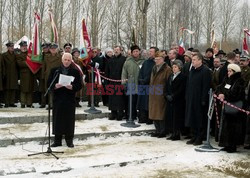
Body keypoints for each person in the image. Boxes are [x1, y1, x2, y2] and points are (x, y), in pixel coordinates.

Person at [48, 53, 82, 148]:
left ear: (71, 61)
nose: (66, 61)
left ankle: (69, 140)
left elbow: (79, 85)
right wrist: (55, 85)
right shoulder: (55, 71)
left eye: (68, 60)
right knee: (57, 119)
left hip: (69, 99)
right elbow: (49, 83)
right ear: (62, 60)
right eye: (65, 59)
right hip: (58, 99)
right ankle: (57, 140)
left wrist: (72, 87)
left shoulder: (75, 72)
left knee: (69, 120)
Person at [216, 64, 246, 153]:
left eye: (230, 71)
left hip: (236, 107)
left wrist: (225, 95)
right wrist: (220, 93)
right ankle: (226, 144)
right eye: (228, 71)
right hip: (227, 106)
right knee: (226, 126)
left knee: (233, 127)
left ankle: (232, 145)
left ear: (235, 71)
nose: (228, 73)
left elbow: (236, 94)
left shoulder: (239, 81)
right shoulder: (227, 79)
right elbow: (220, 87)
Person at [185, 53, 211, 145]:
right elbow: (188, 84)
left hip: (200, 99)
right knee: (192, 118)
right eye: (192, 60)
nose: (193, 62)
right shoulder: (192, 70)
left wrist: (203, 99)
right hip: (191, 98)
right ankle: (194, 136)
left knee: (199, 119)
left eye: (194, 60)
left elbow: (206, 86)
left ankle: (199, 137)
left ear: (200, 60)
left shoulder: (205, 71)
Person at [149, 51, 171, 138]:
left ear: (162, 59)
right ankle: (157, 130)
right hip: (153, 93)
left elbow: (168, 82)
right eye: (155, 59)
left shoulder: (167, 69)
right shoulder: (154, 68)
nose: (156, 61)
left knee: (160, 113)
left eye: (157, 59)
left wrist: (165, 93)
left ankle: (162, 131)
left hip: (161, 93)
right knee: (154, 113)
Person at [121, 45, 145, 120]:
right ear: (131, 53)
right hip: (131, 84)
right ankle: (131, 116)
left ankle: (142, 116)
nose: (135, 53)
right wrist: (124, 83)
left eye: (137, 51)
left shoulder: (144, 61)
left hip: (141, 85)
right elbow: (124, 73)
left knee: (141, 101)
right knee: (131, 101)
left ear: (139, 52)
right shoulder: (128, 62)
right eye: (134, 51)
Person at [137, 47, 158, 124]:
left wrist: (146, 80)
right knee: (142, 103)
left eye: (151, 51)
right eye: (149, 51)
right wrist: (140, 79)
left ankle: (149, 119)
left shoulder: (156, 62)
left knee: (148, 103)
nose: (150, 53)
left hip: (151, 85)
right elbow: (141, 71)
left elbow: (152, 74)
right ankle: (142, 117)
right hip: (143, 85)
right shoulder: (146, 62)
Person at [166, 60, 186, 140]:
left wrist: (173, 96)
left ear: (179, 68)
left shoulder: (182, 77)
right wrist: (167, 94)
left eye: (175, 67)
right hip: (170, 100)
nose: (173, 69)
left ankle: (177, 134)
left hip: (178, 100)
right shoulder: (171, 76)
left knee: (177, 118)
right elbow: (167, 86)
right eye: (173, 67)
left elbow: (181, 89)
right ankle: (173, 133)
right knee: (171, 117)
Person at [105, 46, 126, 120]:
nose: (116, 51)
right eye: (115, 50)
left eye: (118, 50)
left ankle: (120, 114)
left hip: (120, 82)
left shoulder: (124, 59)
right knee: (112, 99)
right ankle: (113, 113)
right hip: (111, 82)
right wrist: (106, 83)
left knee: (120, 99)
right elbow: (107, 71)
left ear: (120, 51)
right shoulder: (110, 60)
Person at [16, 41, 35, 108]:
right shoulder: (18, 55)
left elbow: (34, 61)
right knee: (23, 89)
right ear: (20, 47)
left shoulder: (30, 54)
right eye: (22, 46)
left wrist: (29, 62)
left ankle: (29, 103)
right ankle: (23, 103)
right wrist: (29, 62)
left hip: (31, 74)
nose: (24, 47)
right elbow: (20, 64)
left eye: (25, 46)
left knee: (30, 88)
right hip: (23, 74)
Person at [2, 41, 18, 107]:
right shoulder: (4, 55)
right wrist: (4, 74)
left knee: (13, 89)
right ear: (8, 47)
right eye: (10, 47)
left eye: (12, 46)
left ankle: (12, 102)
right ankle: (6, 102)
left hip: (14, 74)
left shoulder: (16, 55)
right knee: (7, 89)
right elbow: (3, 65)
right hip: (7, 74)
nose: (12, 48)